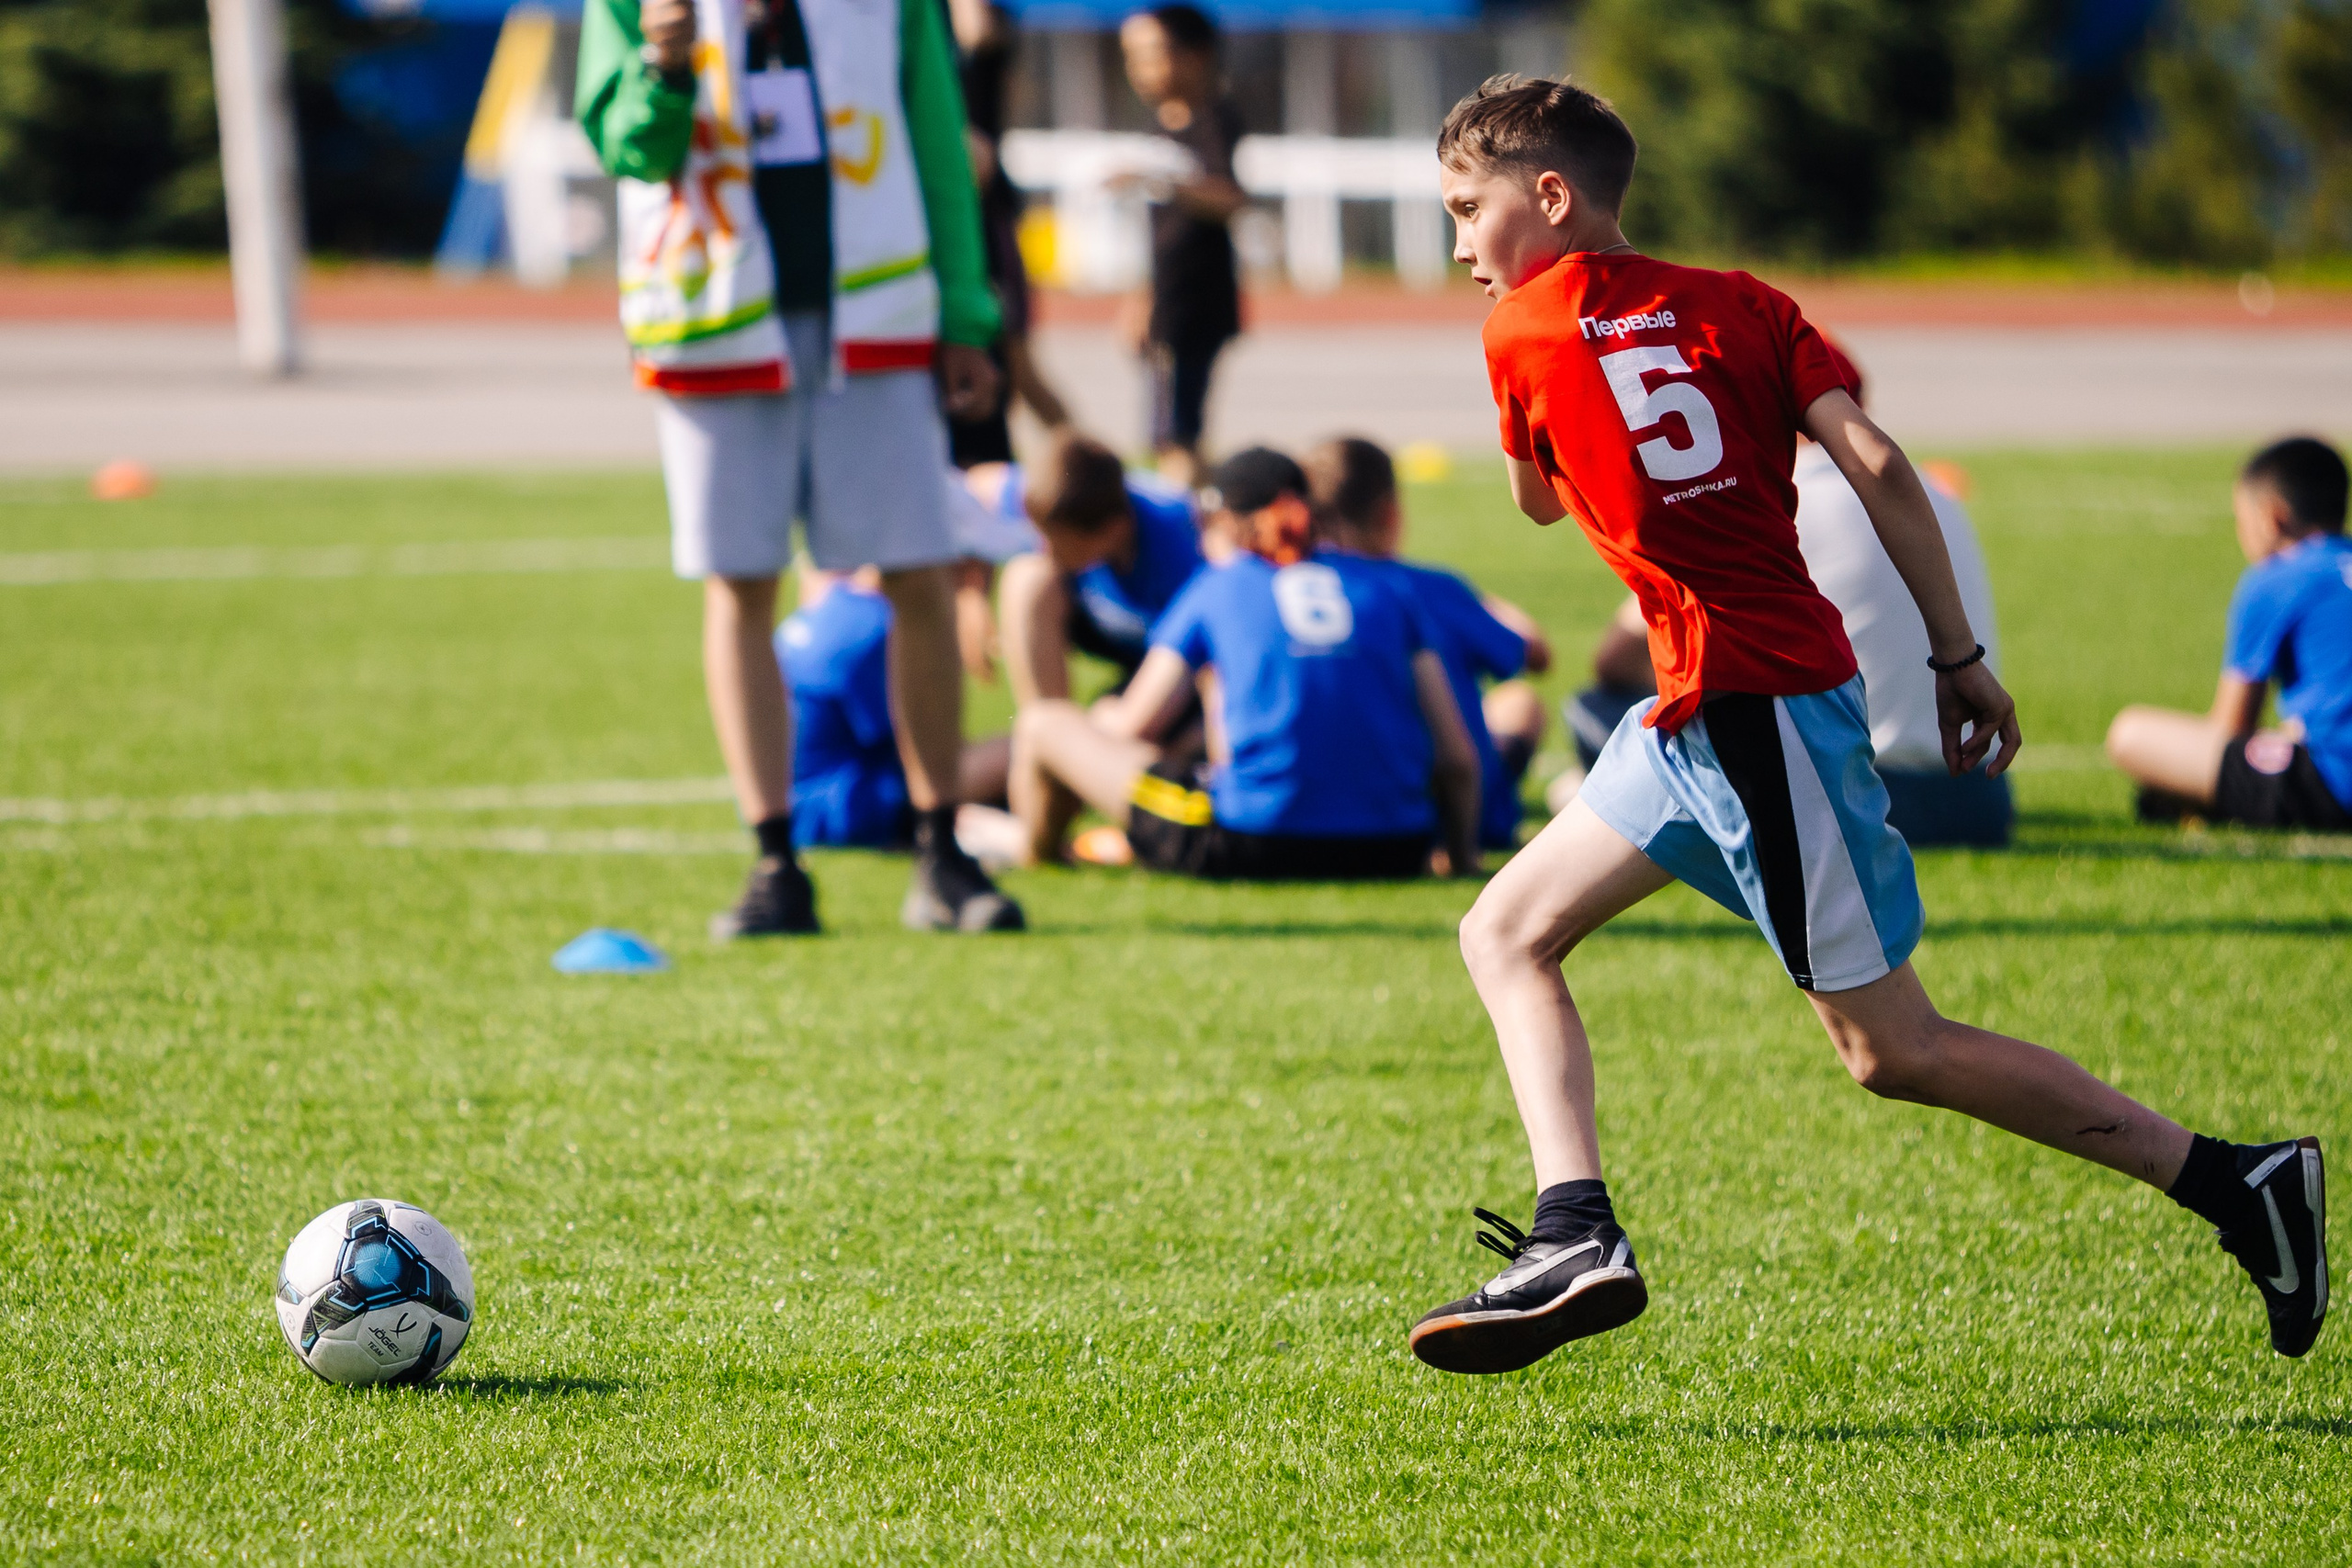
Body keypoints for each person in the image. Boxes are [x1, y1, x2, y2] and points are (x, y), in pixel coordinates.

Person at [1410, 76, 2326, 1376]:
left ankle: (2237, 1180)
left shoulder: (1519, 331)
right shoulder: (1749, 299)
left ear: (1549, 199)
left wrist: (1526, 344)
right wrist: (1960, 654)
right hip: (1712, 703)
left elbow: (1537, 504)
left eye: (1468, 211)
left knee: (1893, 1047)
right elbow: (1882, 464)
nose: (1459, 248)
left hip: (1747, 706)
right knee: (1504, 926)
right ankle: (1575, 1230)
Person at [577, 0, 1023, 936]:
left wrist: (964, 309)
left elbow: (934, 135)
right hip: (717, 322)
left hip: (878, 312)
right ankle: (775, 859)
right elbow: (629, 149)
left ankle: (940, 849)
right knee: (739, 585)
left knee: (920, 571)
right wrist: (665, 59)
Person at [1563, 348, 2013, 848]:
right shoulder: (1929, 490)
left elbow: (1617, 658)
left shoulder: (1771, 499)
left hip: (1856, 797)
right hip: (1979, 795)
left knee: (1600, 707)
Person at [1009, 448, 1483, 880]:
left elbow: (1134, 725)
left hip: (1254, 842)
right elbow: (1457, 758)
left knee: (1043, 723)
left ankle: (1041, 859)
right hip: (1394, 848)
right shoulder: (1389, 588)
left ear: (1232, 527)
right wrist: (1460, 861)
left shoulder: (1217, 586)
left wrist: (1097, 719)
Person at [1305, 435, 1553, 852]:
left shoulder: (1279, 589)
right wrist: (1470, 598)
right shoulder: (1426, 587)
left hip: (1323, 810)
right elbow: (1535, 652)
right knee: (1519, 702)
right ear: (1388, 513)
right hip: (1445, 816)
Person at [2107, 436, 2352, 832]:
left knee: (2130, 734)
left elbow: (2231, 729)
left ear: (2273, 518)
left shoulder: (2275, 578)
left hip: (2333, 787)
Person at [777, 566, 1012, 850]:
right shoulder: (878, 624)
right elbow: (919, 744)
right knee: (1020, 749)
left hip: (793, 807)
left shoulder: (830, 606)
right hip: (843, 808)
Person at [1117, 4, 1246, 488]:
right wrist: (1140, 299)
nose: (1141, 69)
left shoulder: (1212, 118)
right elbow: (1159, 239)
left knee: (1177, 435)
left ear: (1197, 56)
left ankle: (1192, 529)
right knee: (1171, 434)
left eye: (1153, 54)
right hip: (1167, 299)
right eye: (1132, 56)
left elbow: (1230, 198)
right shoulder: (1159, 128)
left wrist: (1165, 177)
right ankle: (1216, 511)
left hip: (1197, 299)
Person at [984, 431, 1207, 709]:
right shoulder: (1058, 495)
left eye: (1061, 543)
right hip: (1124, 632)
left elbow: (1213, 655)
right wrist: (971, 591)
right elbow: (974, 486)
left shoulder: (1182, 544)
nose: (1046, 550)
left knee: (1111, 721)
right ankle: (1047, 727)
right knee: (1027, 577)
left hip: (1181, 664)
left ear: (1112, 530)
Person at [944, 0, 1071, 468]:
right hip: (951, 223)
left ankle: (1087, 474)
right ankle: (1081, 467)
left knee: (1012, 366)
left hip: (982, 229)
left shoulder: (976, 40)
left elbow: (979, 29)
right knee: (1018, 374)